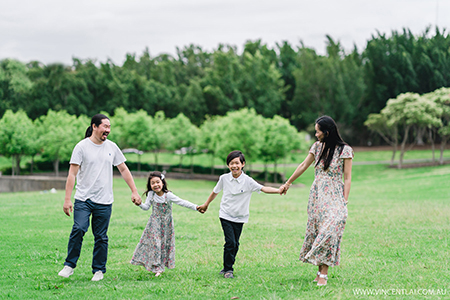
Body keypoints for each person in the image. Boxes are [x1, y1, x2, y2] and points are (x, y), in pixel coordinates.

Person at [58, 114, 142, 281]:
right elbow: (72, 174)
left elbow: (124, 169)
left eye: (109, 127)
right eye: (105, 126)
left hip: (104, 200)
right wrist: (67, 199)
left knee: (101, 236)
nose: (108, 130)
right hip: (83, 199)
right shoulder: (81, 147)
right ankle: (69, 265)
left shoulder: (112, 147)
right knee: (79, 228)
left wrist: (134, 191)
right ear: (94, 126)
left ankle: (98, 270)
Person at [280, 115, 353, 286]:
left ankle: (324, 273)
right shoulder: (317, 147)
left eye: (318, 132)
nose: (316, 135)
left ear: (327, 132)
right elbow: (303, 166)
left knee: (332, 226)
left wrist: (345, 200)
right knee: (321, 230)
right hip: (318, 194)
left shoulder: (345, 150)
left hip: (335, 193)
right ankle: (321, 272)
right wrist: (288, 183)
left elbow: (348, 178)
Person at [197, 150, 281, 279]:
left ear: (243, 164)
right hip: (225, 214)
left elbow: (263, 188)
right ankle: (228, 269)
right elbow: (215, 192)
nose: (234, 166)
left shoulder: (247, 181)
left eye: (237, 163)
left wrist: (278, 190)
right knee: (230, 242)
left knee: (236, 243)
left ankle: (226, 267)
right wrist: (206, 204)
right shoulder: (224, 178)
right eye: (231, 163)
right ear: (228, 165)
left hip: (240, 216)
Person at [130, 171, 203, 277]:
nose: (155, 185)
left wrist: (196, 207)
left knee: (164, 244)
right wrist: (139, 204)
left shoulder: (168, 195)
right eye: (153, 183)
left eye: (157, 182)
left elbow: (181, 202)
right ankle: (157, 268)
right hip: (154, 222)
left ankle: (161, 266)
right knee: (155, 244)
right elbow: (146, 207)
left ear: (162, 183)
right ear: (150, 185)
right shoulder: (151, 194)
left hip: (166, 224)